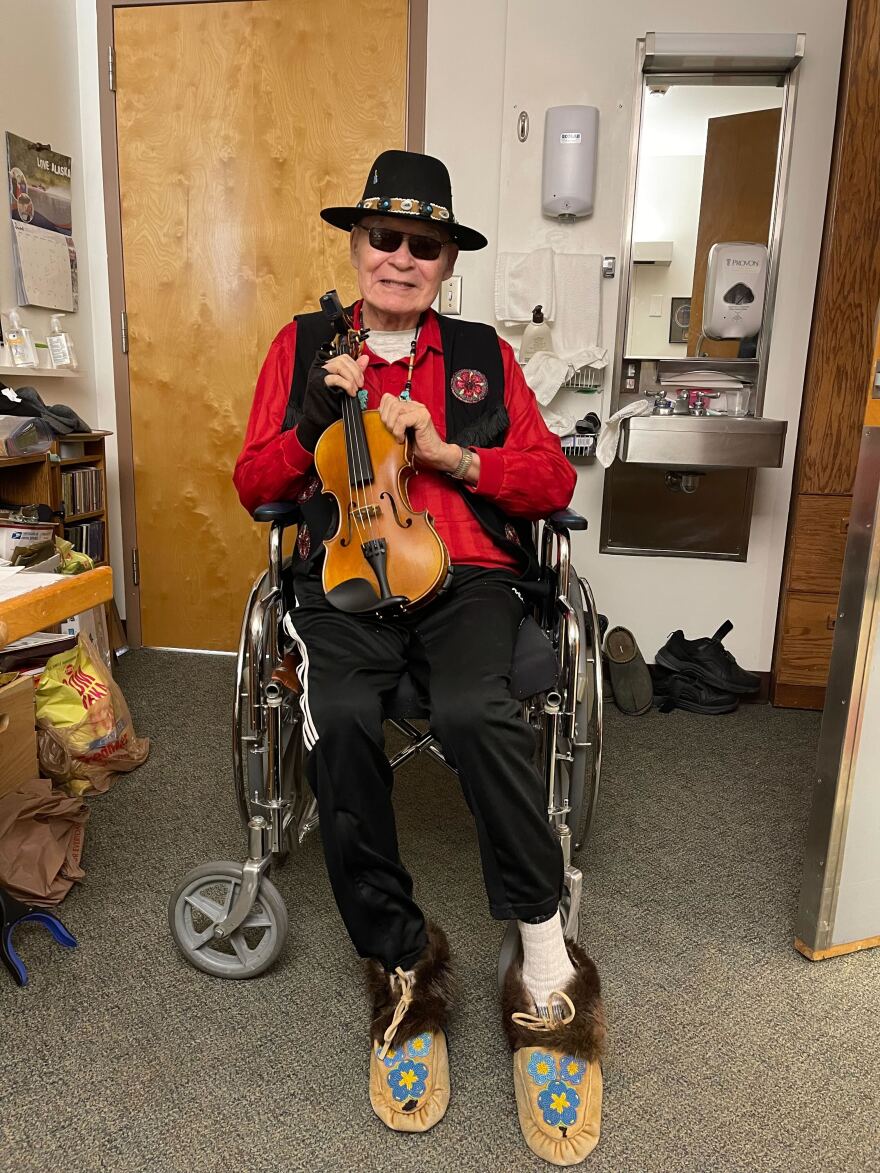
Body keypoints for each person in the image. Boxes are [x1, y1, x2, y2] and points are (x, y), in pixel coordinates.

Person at [234, 150, 605, 1165]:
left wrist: (449, 455)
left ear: (445, 263)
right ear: (357, 247)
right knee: (344, 719)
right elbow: (252, 478)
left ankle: (539, 951)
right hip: (346, 576)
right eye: (383, 238)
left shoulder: (482, 353)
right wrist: (319, 410)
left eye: (423, 245)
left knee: (478, 712)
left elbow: (546, 476)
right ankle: (400, 962)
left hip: (470, 578)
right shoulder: (307, 343)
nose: (400, 256)